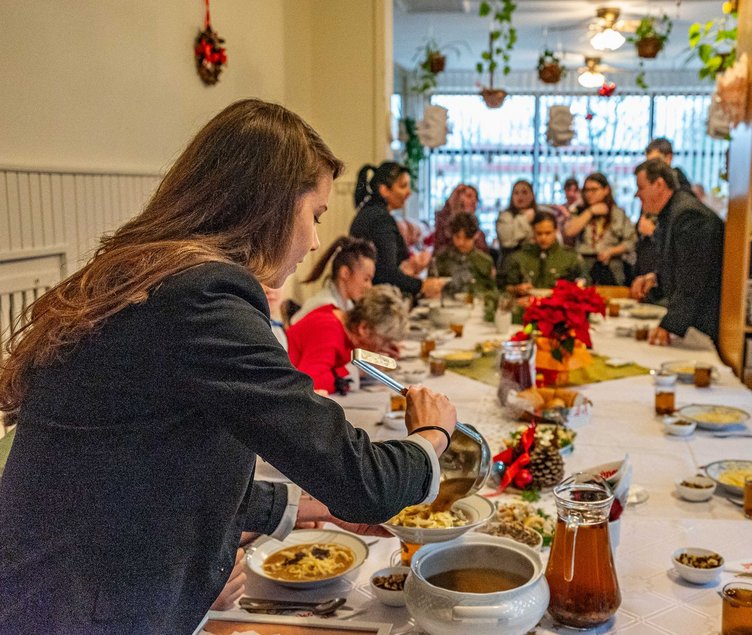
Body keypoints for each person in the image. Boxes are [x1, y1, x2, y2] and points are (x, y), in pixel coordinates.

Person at [0, 99, 457, 634]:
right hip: (73, 609)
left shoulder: (153, 273)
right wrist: (431, 436)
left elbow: (152, 468)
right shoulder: (203, 298)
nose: (314, 241)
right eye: (314, 216)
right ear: (268, 204)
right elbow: (365, 484)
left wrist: (313, 509)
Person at [629, 159, 724, 345]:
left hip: (702, 321)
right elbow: (678, 263)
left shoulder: (690, 216)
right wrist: (655, 278)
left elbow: (693, 278)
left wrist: (670, 325)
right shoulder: (673, 212)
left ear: (659, 184)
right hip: (693, 318)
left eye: (641, 188)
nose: (637, 195)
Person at [287, 285, 407, 395]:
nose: (385, 346)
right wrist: (359, 370)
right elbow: (308, 383)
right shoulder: (328, 329)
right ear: (364, 328)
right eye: (385, 340)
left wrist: (374, 355)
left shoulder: (344, 324)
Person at [349, 162, 443, 299]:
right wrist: (422, 285)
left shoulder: (369, 213)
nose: (409, 192)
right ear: (384, 190)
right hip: (376, 300)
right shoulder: (381, 219)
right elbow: (386, 273)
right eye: (403, 186)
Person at [562, 173, 636, 286]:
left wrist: (611, 251)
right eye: (586, 190)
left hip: (611, 265)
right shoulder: (579, 211)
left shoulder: (617, 213)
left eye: (594, 190)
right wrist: (590, 212)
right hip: (584, 264)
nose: (589, 194)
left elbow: (631, 241)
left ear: (606, 190)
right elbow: (569, 232)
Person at [292, 236, 377, 323]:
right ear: (345, 273)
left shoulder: (348, 306)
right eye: (366, 279)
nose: (369, 286)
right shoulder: (323, 306)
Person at [501, 211, 586, 296]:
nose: (543, 238)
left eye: (548, 233)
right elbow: (505, 287)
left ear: (555, 231)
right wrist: (517, 289)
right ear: (533, 231)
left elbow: (583, 284)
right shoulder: (518, 258)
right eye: (539, 233)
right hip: (526, 303)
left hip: (560, 305)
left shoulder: (570, 258)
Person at [432, 213, 496, 296]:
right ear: (451, 234)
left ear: (476, 235)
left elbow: (492, 292)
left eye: (467, 238)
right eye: (457, 237)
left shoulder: (485, 261)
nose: (461, 242)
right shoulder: (441, 258)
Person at [495, 180, 553, 258]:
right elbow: (507, 241)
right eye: (516, 193)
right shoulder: (504, 216)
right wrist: (524, 219)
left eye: (524, 192)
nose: (520, 196)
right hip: (512, 262)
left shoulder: (540, 215)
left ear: (532, 195)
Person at [430, 183, 488, 255]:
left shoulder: (474, 224)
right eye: (469, 196)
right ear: (457, 198)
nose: (474, 200)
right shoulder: (445, 221)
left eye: (476, 198)